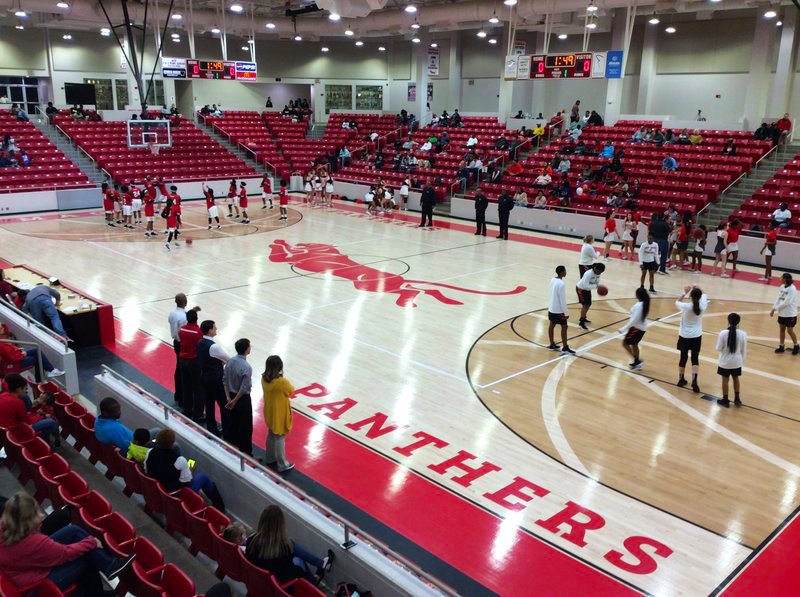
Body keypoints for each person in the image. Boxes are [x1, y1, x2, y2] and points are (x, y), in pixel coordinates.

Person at [0, 492, 135, 595]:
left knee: (73, 531)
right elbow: (65, 554)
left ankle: (110, 566)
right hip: (37, 585)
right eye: (35, 514)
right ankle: (100, 589)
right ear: (26, 522)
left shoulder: (6, 527)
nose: (41, 516)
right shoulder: (34, 543)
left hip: (24, 569)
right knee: (84, 556)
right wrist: (91, 542)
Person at [245, 505, 333, 585]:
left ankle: (320, 566)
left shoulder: (251, 540)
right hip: (281, 587)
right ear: (280, 525)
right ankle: (314, 580)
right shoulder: (284, 548)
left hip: (259, 582)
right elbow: (291, 573)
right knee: (298, 559)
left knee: (294, 551)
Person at [144, 429, 226, 511]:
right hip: (175, 494)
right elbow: (187, 482)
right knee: (202, 477)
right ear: (172, 443)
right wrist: (190, 469)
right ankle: (220, 507)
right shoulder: (180, 460)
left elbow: (147, 470)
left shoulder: (150, 452)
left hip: (157, 489)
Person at [0, 374, 58, 446]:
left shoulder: (3, 395)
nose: (26, 392)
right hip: (15, 432)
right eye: (25, 389)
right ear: (18, 389)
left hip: (4, 431)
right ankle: (42, 444)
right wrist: (39, 417)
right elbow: (27, 422)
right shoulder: (18, 403)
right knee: (51, 422)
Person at [197, 320, 231, 439]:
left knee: (209, 404)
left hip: (204, 376)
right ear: (210, 330)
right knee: (224, 404)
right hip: (216, 379)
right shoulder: (214, 346)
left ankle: (212, 429)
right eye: (214, 328)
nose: (216, 329)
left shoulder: (200, 342)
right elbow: (229, 360)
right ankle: (227, 430)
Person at [261, 355, 295, 473]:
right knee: (280, 437)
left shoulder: (263, 378)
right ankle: (282, 464)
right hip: (279, 413)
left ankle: (270, 458)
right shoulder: (281, 382)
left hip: (269, 411)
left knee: (271, 434)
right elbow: (291, 391)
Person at [168, 293, 201, 409]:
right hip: (183, 343)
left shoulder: (172, 313)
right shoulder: (183, 318)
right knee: (186, 372)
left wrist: (192, 311)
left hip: (176, 342)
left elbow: (182, 317)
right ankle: (185, 398)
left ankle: (178, 395)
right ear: (185, 302)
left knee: (179, 369)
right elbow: (186, 324)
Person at [0, 325, 65, 380]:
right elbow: (12, 357)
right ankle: (46, 374)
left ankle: (48, 372)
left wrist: (19, 351)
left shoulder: (2, 339)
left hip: (13, 360)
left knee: (36, 352)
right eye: (1, 328)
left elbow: (11, 352)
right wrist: (22, 354)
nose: (3, 328)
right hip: (13, 364)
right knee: (36, 357)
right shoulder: (2, 342)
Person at [675, 286, 708, 393]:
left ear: (691, 297)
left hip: (684, 336)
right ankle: (694, 380)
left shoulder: (686, 306)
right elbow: (704, 294)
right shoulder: (702, 306)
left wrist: (684, 292)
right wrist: (697, 288)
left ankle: (681, 379)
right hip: (696, 336)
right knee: (695, 358)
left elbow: (677, 302)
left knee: (683, 357)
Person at [224, 338, 254, 456]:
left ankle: (231, 444)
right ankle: (246, 451)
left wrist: (228, 398)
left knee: (233, 421)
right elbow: (244, 388)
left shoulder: (230, 361)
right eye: (249, 346)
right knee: (246, 425)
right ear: (246, 349)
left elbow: (225, 380)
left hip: (230, 396)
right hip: (241, 399)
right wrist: (235, 401)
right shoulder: (246, 367)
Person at [715, 313, 746, 408]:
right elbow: (743, 349)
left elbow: (718, 348)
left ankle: (725, 399)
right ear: (738, 322)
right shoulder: (743, 334)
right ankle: (737, 398)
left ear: (728, 321)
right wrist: (742, 361)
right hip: (737, 361)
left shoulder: (723, 333)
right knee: (736, 378)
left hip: (725, 362)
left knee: (725, 380)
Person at [619, 287, 651, 371]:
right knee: (634, 344)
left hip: (636, 329)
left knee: (625, 343)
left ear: (637, 295)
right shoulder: (645, 303)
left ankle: (637, 362)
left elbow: (634, 320)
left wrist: (624, 328)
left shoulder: (639, 306)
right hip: (641, 328)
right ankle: (637, 362)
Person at [547, 266, 575, 355]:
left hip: (551, 308)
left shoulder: (552, 280)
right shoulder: (561, 284)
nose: (566, 272)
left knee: (552, 325)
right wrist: (566, 313)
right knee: (564, 327)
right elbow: (562, 300)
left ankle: (551, 344)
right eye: (565, 270)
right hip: (558, 311)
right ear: (562, 272)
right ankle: (565, 347)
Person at [771, 273, 799, 354]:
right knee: (782, 329)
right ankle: (781, 346)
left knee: (790, 330)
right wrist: (773, 308)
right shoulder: (782, 287)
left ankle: (796, 345)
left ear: (785, 279)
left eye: (781, 277)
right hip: (782, 313)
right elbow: (779, 298)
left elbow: (787, 302)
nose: (780, 278)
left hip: (790, 314)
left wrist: (776, 308)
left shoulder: (792, 289)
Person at [575, 263, 605, 330]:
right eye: (599, 271)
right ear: (595, 269)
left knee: (588, 304)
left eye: (601, 272)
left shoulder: (598, 273)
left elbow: (596, 283)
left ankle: (583, 318)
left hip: (587, 290)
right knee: (585, 305)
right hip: (581, 289)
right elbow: (586, 285)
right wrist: (597, 286)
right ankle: (581, 322)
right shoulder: (588, 274)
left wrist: (598, 286)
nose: (600, 273)